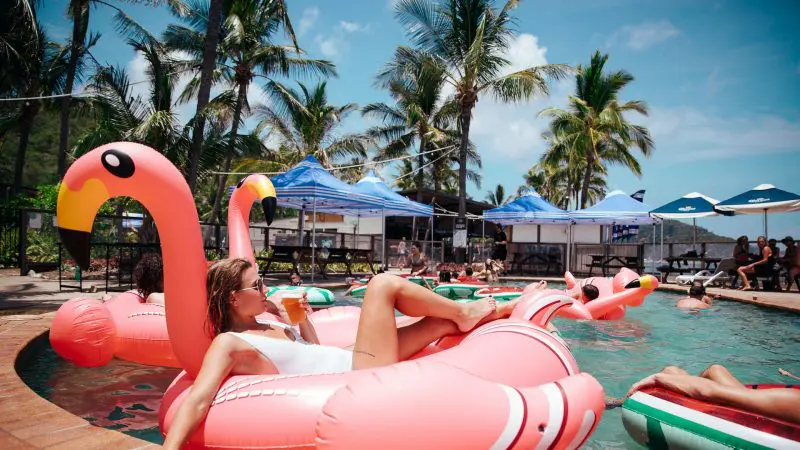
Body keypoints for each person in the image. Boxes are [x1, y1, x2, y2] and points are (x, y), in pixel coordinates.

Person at [162, 259, 519, 448]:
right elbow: (198, 400)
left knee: (437, 324)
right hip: (358, 372)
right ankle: (467, 309)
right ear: (233, 299)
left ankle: (510, 307)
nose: (265, 287)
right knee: (382, 285)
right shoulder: (229, 342)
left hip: (348, 359)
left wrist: (295, 319)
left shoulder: (268, 322)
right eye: (257, 285)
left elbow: (312, 353)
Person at [621, 365, 800, 426]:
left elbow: (709, 392)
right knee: (716, 369)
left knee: (671, 371)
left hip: (735, 412)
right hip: (747, 402)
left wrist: (657, 378)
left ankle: (621, 401)